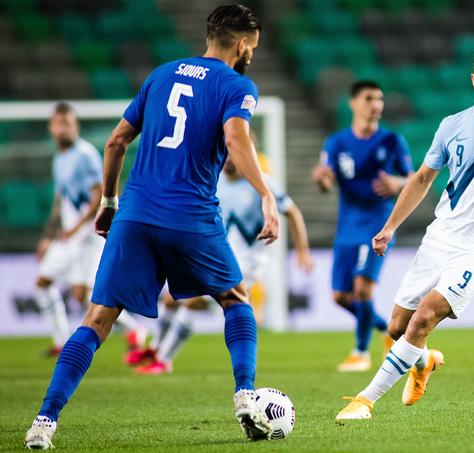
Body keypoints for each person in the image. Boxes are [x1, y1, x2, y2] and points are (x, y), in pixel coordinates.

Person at [24, 4, 278, 448]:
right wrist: (266, 194)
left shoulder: (161, 75)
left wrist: (108, 201)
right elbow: (237, 138)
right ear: (242, 45)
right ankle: (244, 394)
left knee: (97, 318)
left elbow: (116, 141)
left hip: (135, 214)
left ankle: (44, 422)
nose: (250, 54)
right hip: (191, 214)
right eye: (251, 47)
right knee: (235, 299)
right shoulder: (237, 84)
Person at [336, 46, 474, 420]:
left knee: (421, 321)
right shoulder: (452, 126)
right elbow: (421, 178)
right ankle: (424, 361)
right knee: (397, 327)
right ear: (472, 78)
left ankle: (364, 400)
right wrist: (389, 227)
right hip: (439, 239)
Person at [132, 154, 313, 374]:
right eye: (225, 153)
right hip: (216, 258)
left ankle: (163, 360)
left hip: (248, 265)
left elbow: (292, 211)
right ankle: (153, 349)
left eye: (234, 153)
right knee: (171, 297)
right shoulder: (214, 180)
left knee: (192, 301)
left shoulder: (260, 182)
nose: (228, 160)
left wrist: (302, 250)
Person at [312, 80, 413, 372]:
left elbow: (415, 179)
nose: (376, 104)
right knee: (341, 297)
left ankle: (360, 353)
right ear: (353, 103)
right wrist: (322, 179)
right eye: (369, 98)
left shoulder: (392, 141)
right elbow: (326, 182)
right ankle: (388, 331)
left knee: (363, 290)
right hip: (348, 226)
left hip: (378, 225)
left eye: (380, 99)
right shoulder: (336, 143)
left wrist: (398, 182)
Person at [35, 102, 147, 357]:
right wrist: (48, 236)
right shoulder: (59, 157)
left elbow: (99, 194)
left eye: (67, 124)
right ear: (51, 127)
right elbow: (60, 199)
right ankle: (61, 340)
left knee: (84, 294)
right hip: (69, 236)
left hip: (87, 235)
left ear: (76, 126)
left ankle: (133, 328)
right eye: (58, 124)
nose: (62, 129)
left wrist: (75, 228)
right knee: (50, 284)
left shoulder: (85, 155)